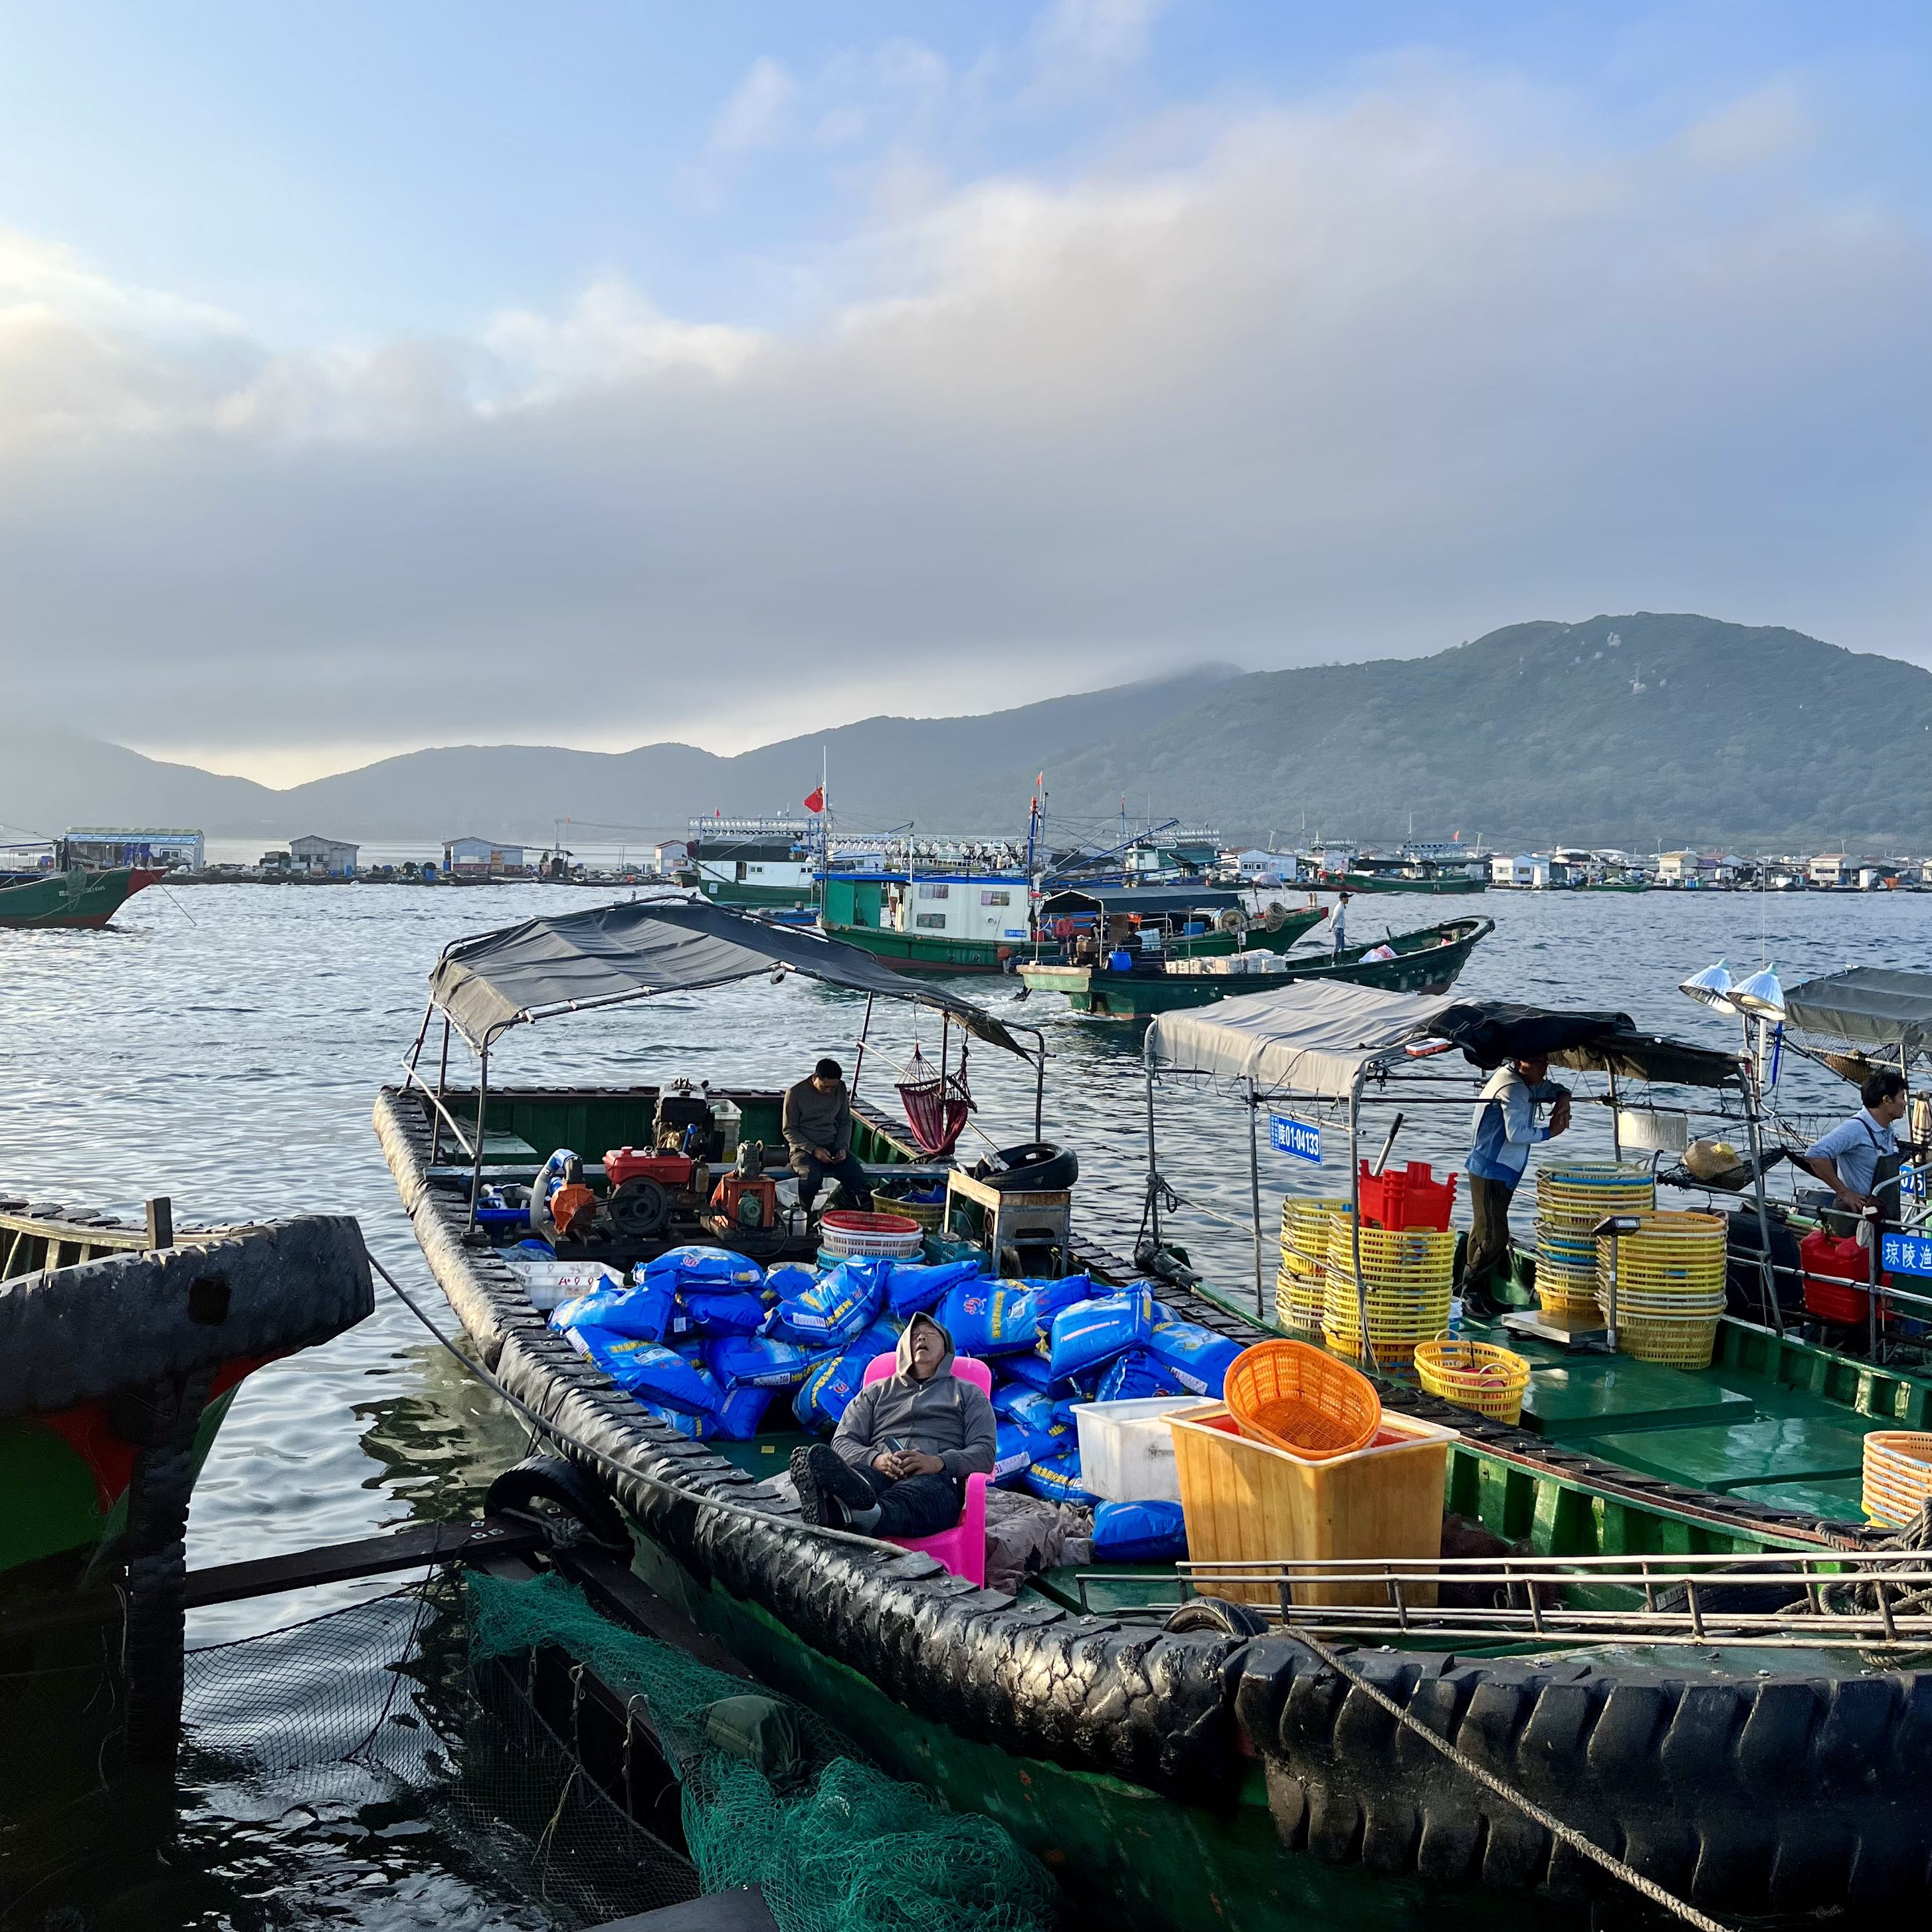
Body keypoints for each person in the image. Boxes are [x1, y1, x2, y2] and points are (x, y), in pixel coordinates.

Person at [789, 1312, 997, 1535]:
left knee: (922, 1496)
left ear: (946, 1348)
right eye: (915, 1335)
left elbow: (984, 1452)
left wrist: (939, 1462)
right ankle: (844, 1506)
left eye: (930, 1334)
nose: (922, 1339)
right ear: (903, 1346)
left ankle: (858, 1514)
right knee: (857, 1479)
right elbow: (843, 1441)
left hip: (934, 1480)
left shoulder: (968, 1394)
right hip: (876, 1473)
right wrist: (875, 1459)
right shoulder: (875, 1392)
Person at [1464, 1052, 1571, 1311]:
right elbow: (1516, 1133)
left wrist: (1563, 1096)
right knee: (1494, 1237)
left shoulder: (1523, 1082)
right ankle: (1469, 1292)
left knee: (1484, 1229)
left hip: (1501, 1168)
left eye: (1545, 1062)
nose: (1543, 1068)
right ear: (1521, 1062)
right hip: (1492, 1168)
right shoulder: (1513, 1088)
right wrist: (1550, 1132)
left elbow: (1551, 1088)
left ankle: (1479, 1293)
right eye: (1537, 1062)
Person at [1802, 1070, 1910, 1230]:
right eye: (1902, 1097)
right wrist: (1843, 1192)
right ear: (1887, 1100)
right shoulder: (1855, 1128)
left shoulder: (1887, 1128)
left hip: (1883, 1216)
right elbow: (1815, 1155)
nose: (1905, 1103)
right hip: (1857, 1219)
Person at [781, 1057, 873, 1218]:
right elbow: (789, 1130)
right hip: (804, 1150)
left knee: (857, 1178)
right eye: (825, 1087)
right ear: (815, 1077)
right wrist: (813, 1149)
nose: (829, 1091)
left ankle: (837, 1207)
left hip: (833, 1146)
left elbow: (844, 1122)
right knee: (811, 1178)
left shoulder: (841, 1089)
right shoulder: (795, 1093)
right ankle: (806, 1215)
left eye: (833, 1087)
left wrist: (843, 1148)